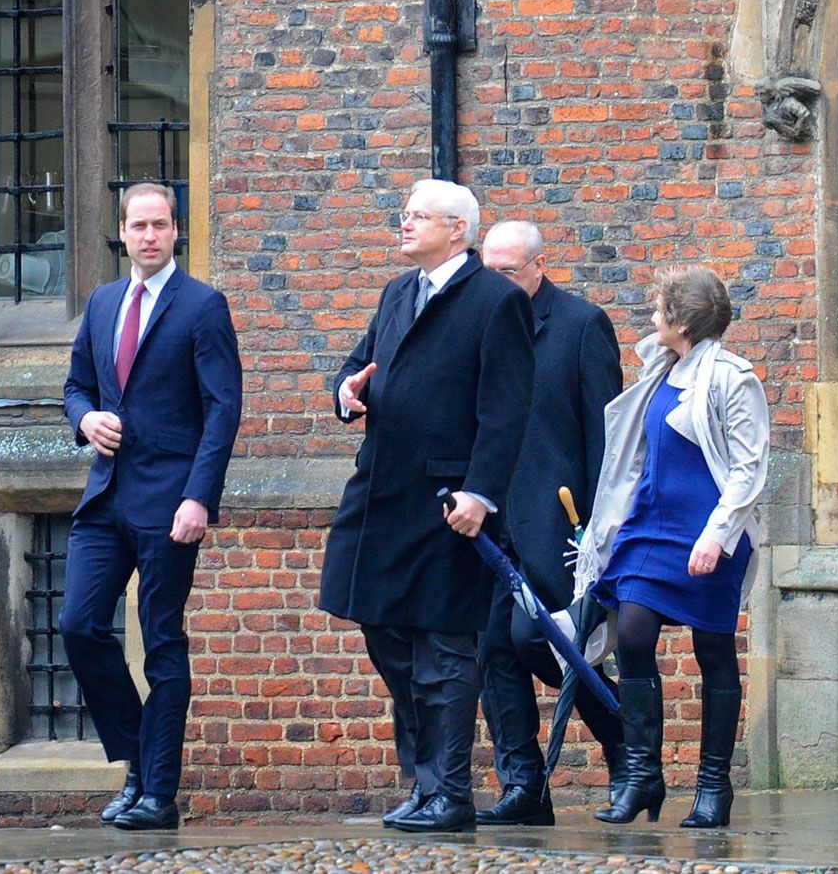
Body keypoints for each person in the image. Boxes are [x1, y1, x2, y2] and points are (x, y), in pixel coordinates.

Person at [319, 180, 534, 834]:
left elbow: (506, 409)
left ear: (457, 230)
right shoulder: (398, 292)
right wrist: (345, 394)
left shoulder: (495, 300)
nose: (405, 224)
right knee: (382, 629)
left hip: (447, 501)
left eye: (418, 217)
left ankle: (448, 795)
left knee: (443, 647)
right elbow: (357, 368)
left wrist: (480, 492)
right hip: (381, 493)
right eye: (405, 214)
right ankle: (427, 782)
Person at [60, 183, 242, 830]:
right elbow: (77, 386)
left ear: (175, 233)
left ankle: (157, 794)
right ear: (123, 232)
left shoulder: (202, 306)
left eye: (160, 225)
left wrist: (200, 497)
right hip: (105, 497)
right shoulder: (105, 302)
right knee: (78, 626)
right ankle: (139, 760)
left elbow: (223, 408)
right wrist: (85, 422)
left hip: (170, 505)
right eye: (138, 226)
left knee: (163, 644)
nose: (148, 236)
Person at [573, 264, 769, 828]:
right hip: (648, 530)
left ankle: (713, 786)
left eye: (660, 308)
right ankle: (641, 776)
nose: (651, 317)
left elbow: (750, 468)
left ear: (680, 320)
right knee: (632, 635)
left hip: (707, 534)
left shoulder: (734, 378)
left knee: (713, 650)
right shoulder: (662, 367)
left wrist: (716, 536)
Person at [477, 220, 625, 827]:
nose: (495, 283)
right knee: (490, 650)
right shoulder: (477, 325)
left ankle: (629, 753)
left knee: (546, 642)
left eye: (507, 272)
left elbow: (606, 440)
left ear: (539, 266)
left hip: (561, 526)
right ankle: (525, 787)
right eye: (486, 271)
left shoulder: (581, 325)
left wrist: (597, 530)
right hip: (487, 520)